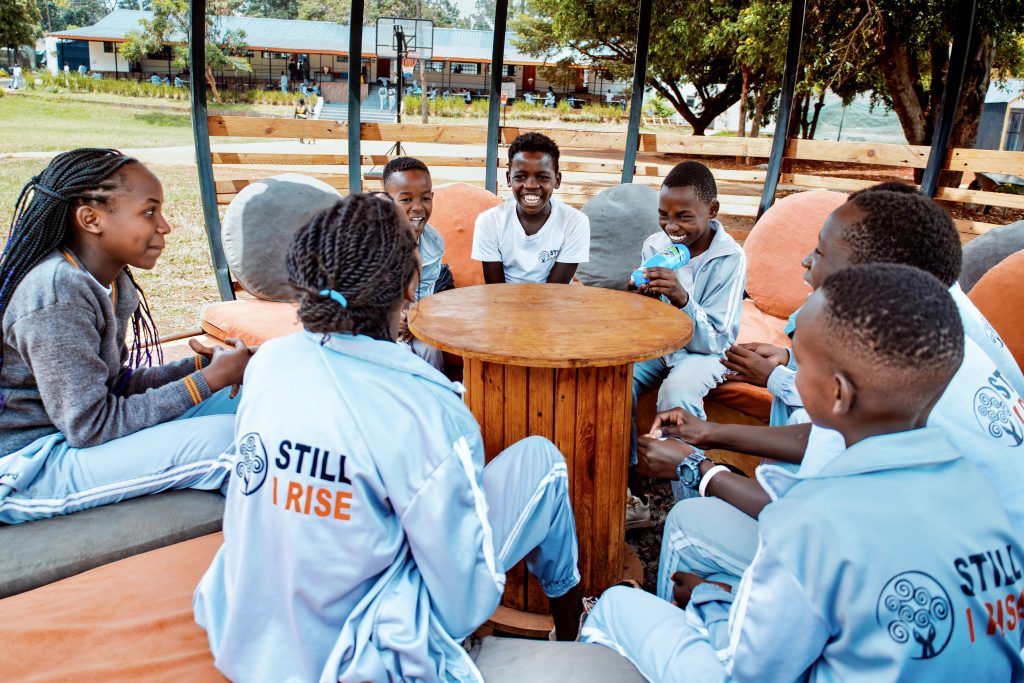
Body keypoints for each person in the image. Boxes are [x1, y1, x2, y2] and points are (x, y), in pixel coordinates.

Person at [194, 194, 584, 682]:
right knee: (542, 461)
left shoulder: (270, 364)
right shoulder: (428, 405)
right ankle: (573, 631)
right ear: (412, 283)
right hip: (357, 654)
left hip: (244, 638)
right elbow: (464, 603)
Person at [584, 264, 1024, 681]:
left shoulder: (809, 521)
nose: (785, 374)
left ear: (837, 393)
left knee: (615, 607)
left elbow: (751, 670)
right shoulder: (976, 489)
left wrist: (710, 601)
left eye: (800, 364)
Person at [640, 186, 1024, 593]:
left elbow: (800, 509)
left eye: (821, 253)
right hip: (975, 567)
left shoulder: (887, 359)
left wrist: (695, 467)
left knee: (688, 524)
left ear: (868, 272)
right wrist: (709, 432)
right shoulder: (938, 323)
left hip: (936, 585)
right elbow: (826, 438)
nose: (806, 261)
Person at [0, 149, 250, 524]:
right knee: (231, 442)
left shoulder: (110, 282)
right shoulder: (57, 292)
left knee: (255, 401)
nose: (164, 225)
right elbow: (91, 424)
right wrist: (206, 382)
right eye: (149, 211)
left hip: (70, 435)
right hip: (29, 465)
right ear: (91, 219)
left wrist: (205, 366)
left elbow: (116, 386)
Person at [629, 160, 746, 509]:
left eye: (683, 216)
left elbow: (718, 339)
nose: (671, 226)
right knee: (615, 378)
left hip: (705, 353)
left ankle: (689, 501)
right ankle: (630, 480)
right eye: (664, 215)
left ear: (711, 211)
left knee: (678, 392)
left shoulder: (730, 258)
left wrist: (682, 299)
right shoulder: (655, 245)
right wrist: (641, 297)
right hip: (662, 345)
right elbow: (648, 319)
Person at [472, 132, 590, 284]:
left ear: (557, 180)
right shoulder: (489, 221)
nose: (531, 185)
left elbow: (555, 289)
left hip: (554, 302)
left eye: (543, 177)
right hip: (504, 301)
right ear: (509, 179)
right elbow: (496, 289)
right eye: (520, 177)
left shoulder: (575, 222)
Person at [382, 157, 447, 371]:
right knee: (402, 356)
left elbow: (425, 291)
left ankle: (440, 400)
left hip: (413, 322)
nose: (418, 208)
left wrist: (412, 318)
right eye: (406, 199)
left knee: (430, 349)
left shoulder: (433, 241)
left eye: (425, 198)